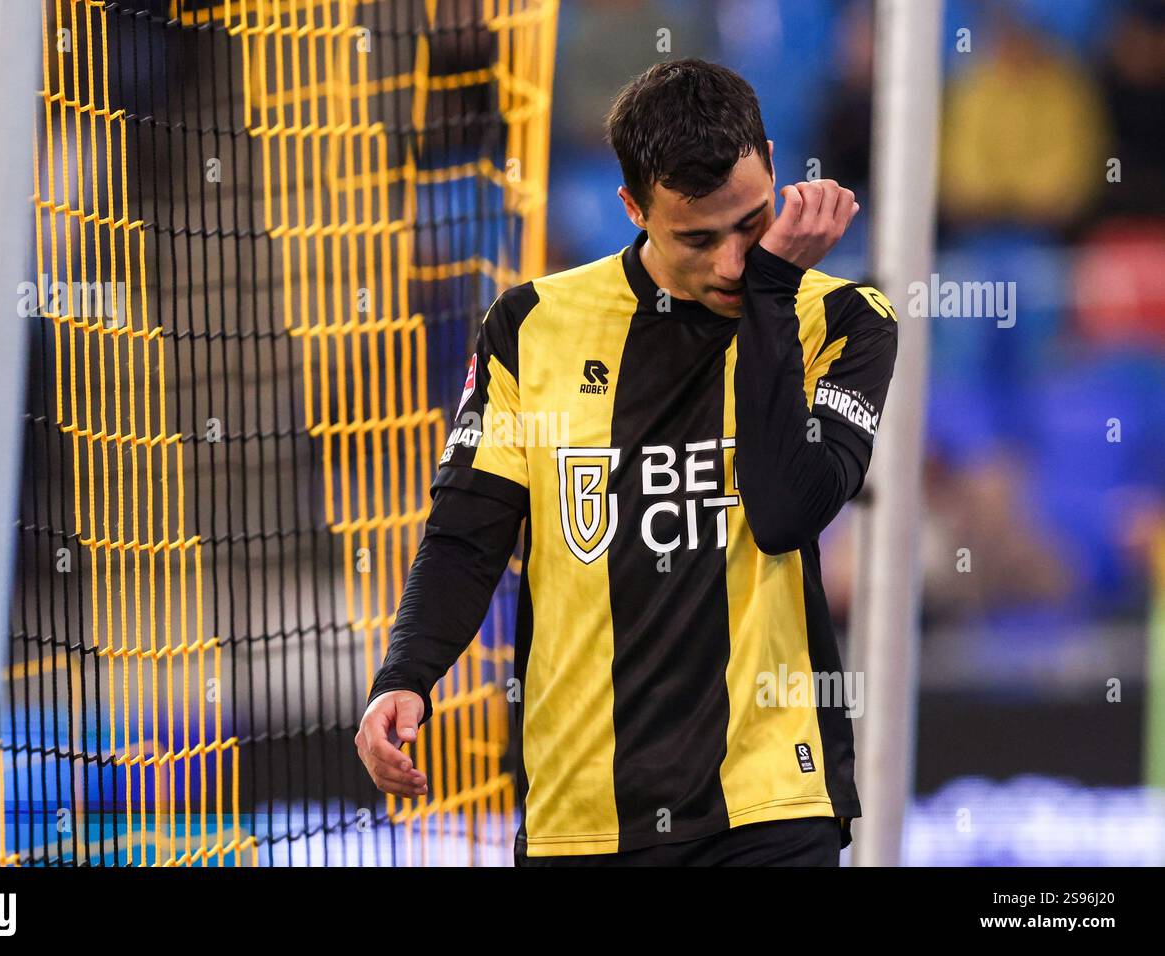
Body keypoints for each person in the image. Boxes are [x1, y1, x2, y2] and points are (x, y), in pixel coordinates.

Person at [356, 58, 898, 866]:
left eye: (751, 225)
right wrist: (405, 674)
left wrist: (774, 293)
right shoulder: (530, 327)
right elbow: (468, 534)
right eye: (697, 237)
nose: (730, 264)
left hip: (769, 805)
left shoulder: (843, 321)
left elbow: (785, 511)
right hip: (585, 814)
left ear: (775, 168)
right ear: (634, 208)